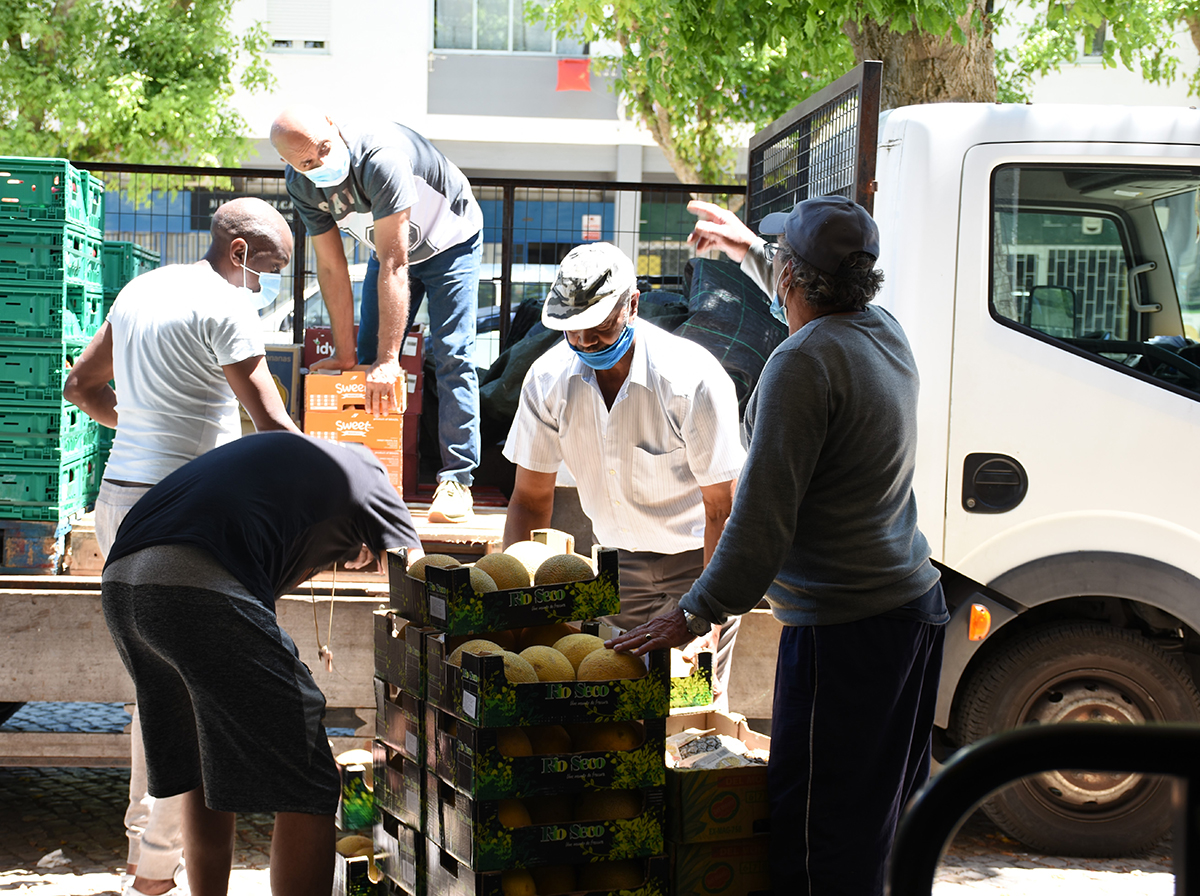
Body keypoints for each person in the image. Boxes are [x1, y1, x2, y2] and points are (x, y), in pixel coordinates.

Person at [610, 197, 948, 895]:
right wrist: (749, 254)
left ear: (793, 277)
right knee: (880, 822)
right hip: (913, 608)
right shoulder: (882, 330)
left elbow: (761, 524)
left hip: (845, 634)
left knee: (816, 835)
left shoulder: (802, 364)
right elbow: (810, 296)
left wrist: (692, 612)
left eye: (781, 264)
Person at [64, 197, 300, 896]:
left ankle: (150, 862)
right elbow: (272, 426)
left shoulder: (143, 289)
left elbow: (81, 386)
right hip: (189, 514)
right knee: (194, 694)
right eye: (268, 269)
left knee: (156, 681)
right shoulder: (226, 306)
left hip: (123, 500)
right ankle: (160, 870)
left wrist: (139, 425)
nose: (265, 285)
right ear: (237, 253)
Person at [100, 432, 423, 896]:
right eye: (360, 559)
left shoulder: (292, 474)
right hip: (195, 582)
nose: (354, 566)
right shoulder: (373, 480)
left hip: (122, 585)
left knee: (200, 765)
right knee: (309, 778)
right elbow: (422, 580)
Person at [502, 242, 745, 702]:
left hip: (699, 565)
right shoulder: (548, 380)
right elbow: (531, 500)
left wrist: (706, 614)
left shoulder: (690, 379)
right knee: (618, 707)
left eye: (599, 327)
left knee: (689, 709)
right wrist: (516, 606)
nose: (585, 342)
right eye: (573, 330)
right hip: (617, 567)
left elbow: (723, 508)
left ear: (632, 304)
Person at [270, 105, 484, 524]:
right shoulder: (302, 184)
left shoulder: (379, 157)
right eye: (307, 162)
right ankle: (362, 480)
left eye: (326, 150)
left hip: (450, 240)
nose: (320, 165)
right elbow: (331, 267)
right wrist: (351, 355)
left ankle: (457, 480)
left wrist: (391, 361)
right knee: (365, 361)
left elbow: (396, 264)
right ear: (290, 164)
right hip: (388, 249)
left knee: (452, 354)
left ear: (332, 123)